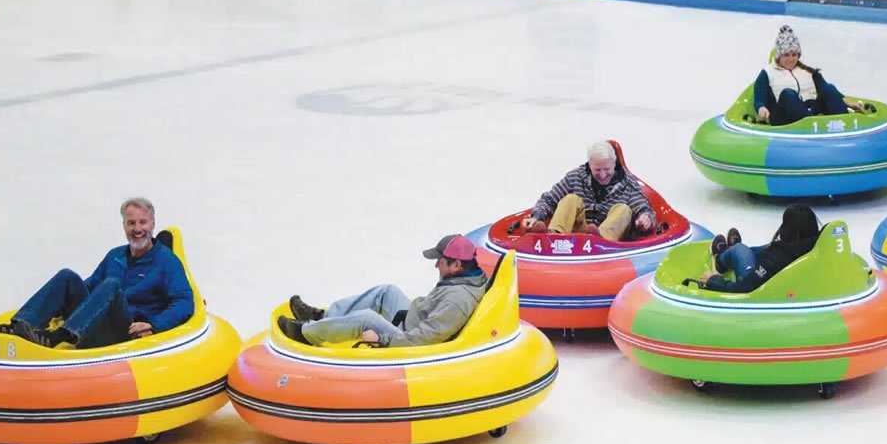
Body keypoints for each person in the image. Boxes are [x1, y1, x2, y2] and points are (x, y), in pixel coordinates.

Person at [0, 198, 194, 348]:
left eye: (142, 222)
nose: (137, 229)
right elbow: (89, 288)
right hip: (95, 323)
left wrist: (154, 325)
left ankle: (55, 338)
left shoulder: (167, 261)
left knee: (110, 285)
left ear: (153, 223)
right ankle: (17, 328)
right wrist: (61, 305)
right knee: (68, 276)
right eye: (131, 223)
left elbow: (185, 302)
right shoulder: (115, 255)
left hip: (124, 329)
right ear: (124, 225)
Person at [280, 234, 489, 348]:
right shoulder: (464, 279)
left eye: (440, 262)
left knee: (365, 318)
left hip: (409, 337)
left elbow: (423, 340)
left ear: (457, 265)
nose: (436, 267)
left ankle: (306, 333)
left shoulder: (457, 300)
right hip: (411, 321)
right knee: (387, 291)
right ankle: (323, 317)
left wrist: (383, 340)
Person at [520, 141, 657, 242]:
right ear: (589, 165)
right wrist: (536, 216)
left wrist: (645, 218)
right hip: (576, 238)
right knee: (571, 199)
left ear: (614, 165)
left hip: (608, 242)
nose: (602, 175)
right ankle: (553, 237)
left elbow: (644, 209)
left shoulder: (628, 184)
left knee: (623, 209)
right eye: (597, 170)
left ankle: (600, 239)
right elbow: (549, 199)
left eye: (607, 169)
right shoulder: (575, 177)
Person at [753, 25, 864, 126]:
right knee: (788, 94)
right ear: (778, 56)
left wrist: (850, 104)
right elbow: (759, 98)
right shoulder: (767, 73)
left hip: (810, 112)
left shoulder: (807, 70)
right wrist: (761, 108)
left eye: (794, 54)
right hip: (785, 116)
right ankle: (809, 125)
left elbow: (827, 90)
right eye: (786, 55)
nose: (791, 59)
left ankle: (845, 123)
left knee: (828, 88)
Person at [697, 204, 821, 294]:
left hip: (764, 288)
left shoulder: (776, 259)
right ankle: (734, 251)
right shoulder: (817, 243)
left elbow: (743, 288)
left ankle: (720, 260)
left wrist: (714, 281)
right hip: (788, 270)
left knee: (739, 250)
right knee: (763, 248)